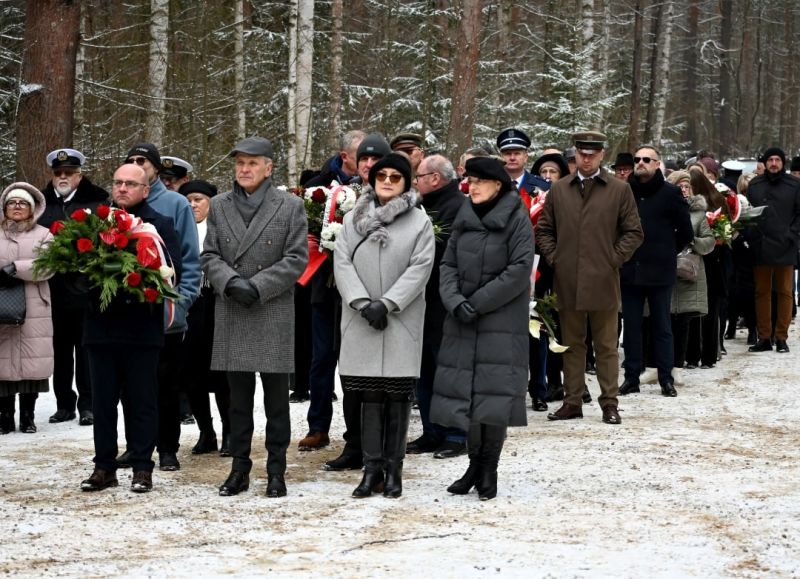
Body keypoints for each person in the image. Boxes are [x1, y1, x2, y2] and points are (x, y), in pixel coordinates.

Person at [202, 137, 307, 497]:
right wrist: (230, 282)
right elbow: (209, 255)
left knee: (277, 402)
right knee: (238, 401)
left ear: (268, 167)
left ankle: (276, 470)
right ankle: (239, 469)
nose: (244, 169)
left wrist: (258, 286)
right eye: (239, 163)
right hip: (233, 307)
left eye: (252, 163)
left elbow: (296, 259)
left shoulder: (290, 206)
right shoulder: (218, 205)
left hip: (272, 308)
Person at [431, 157, 534, 501]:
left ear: (498, 184)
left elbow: (519, 271)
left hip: (499, 323)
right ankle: (473, 467)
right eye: (468, 180)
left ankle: (489, 469)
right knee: (470, 396)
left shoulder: (517, 219)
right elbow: (447, 264)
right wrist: (455, 300)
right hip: (463, 319)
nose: (470, 187)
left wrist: (477, 302)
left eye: (478, 181)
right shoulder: (465, 218)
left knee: (494, 397)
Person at [334, 152, 434, 498]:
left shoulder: (419, 221)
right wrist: (363, 303)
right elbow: (342, 261)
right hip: (361, 318)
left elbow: (420, 268)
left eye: (396, 176)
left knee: (397, 396)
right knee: (368, 395)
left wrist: (388, 303)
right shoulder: (352, 220)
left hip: (399, 319)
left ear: (406, 182)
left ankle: (394, 470)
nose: (388, 180)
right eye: (382, 175)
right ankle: (371, 468)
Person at [80, 163, 182, 493]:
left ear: (145, 190)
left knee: (142, 402)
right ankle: (104, 467)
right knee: (103, 403)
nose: (122, 188)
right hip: (100, 326)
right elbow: (74, 270)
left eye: (130, 184)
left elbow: (171, 271)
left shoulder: (158, 224)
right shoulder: (94, 223)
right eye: (118, 182)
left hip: (142, 328)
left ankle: (142, 467)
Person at [538, 131, 643, 425]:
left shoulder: (618, 190)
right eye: (581, 153)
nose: (586, 158)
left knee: (606, 346)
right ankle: (572, 401)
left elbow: (634, 232)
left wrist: (613, 258)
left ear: (602, 155)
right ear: (575, 154)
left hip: (604, 280)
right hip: (567, 280)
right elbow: (544, 230)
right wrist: (555, 257)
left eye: (592, 153)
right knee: (571, 345)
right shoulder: (559, 190)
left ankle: (609, 402)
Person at [119, 143, 200, 472]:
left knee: (165, 383)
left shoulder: (174, 203)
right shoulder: (119, 204)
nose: (137, 165)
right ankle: (137, 444)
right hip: (126, 312)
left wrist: (181, 305)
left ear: (154, 170)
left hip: (164, 310)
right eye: (131, 161)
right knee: (130, 385)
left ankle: (167, 447)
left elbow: (190, 258)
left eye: (143, 161)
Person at [323, 132, 392, 472]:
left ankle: (380, 448)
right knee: (350, 376)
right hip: (350, 300)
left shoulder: (399, 198)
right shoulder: (342, 196)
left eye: (375, 159)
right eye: (364, 159)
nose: (368, 164)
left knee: (382, 380)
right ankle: (353, 442)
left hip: (387, 302)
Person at [297, 130, 366, 451]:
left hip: (362, 288)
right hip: (324, 285)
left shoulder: (378, 184)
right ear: (344, 156)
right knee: (322, 357)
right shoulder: (317, 187)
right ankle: (318, 425)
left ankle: (359, 429)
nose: (368, 162)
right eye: (361, 156)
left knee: (357, 361)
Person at [36, 148, 108, 426]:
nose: (63, 177)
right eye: (58, 173)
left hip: (86, 288)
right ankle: (64, 403)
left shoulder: (97, 200)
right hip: (52, 289)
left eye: (69, 173)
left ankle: (88, 404)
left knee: (86, 349)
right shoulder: (41, 204)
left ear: (80, 175)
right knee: (61, 350)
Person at [405, 154, 467, 458]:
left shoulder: (458, 208)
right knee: (426, 369)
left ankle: (456, 434)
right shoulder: (420, 207)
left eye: (419, 176)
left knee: (448, 370)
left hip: (446, 302)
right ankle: (432, 430)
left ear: (435, 179)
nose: (415, 181)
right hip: (422, 301)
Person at [618, 147, 693, 398]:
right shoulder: (624, 191)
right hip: (629, 268)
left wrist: (667, 251)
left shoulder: (671, 194)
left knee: (662, 326)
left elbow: (685, 232)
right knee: (631, 327)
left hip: (660, 270)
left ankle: (665, 378)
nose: (640, 163)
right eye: (637, 159)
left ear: (657, 164)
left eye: (646, 160)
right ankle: (631, 377)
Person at [178, 180, 231, 456]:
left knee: (222, 373)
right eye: (188, 199)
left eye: (199, 199)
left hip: (218, 303)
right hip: (190, 306)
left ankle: (229, 432)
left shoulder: (222, 228)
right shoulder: (178, 229)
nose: (193, 204)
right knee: (191, 374)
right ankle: (206, 432)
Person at [0, 184, 54, 435]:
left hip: (35, 305)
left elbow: (48, 264)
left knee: (32, 363)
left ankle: (28, 416)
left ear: (32, 209)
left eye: (23, 203)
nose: (17, 206)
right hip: (3, 304)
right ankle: (5, 416)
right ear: (4, 208)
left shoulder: (44, 234)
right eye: (12, 203)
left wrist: (16, 268)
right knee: (3, 363)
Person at [745, 147, 800, 353]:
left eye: (777, 159)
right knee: (762, 292)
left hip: (785, 245)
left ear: (782, 162)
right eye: (770, 160)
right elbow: (748, 212)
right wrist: (751, 236)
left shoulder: (794, 185)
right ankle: (765, 337)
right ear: (765, 162)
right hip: (761, 245)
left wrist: (791, 235)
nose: (774, 163)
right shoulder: (755, 185)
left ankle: (782, 337)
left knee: (785, 292)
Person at [527, 152, 571, 409]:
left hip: (559, 267)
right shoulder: (528, 195)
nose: (547, 176)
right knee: (537, 326)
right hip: (534, 268)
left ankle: (557, 380)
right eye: (543, 171)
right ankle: (539, 385)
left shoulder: (569, 197)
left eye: (553, 172)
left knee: (558, 325)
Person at [664, 170, 715, 386]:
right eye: (680, 186)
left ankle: (677, 366)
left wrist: (692, 240)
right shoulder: (664, 209)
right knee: (662, 321)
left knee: (683, 322)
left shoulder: (698, 213)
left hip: (688, 272)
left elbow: (709, 242)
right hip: (665, 270)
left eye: (687, 186)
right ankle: (659, 364)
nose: (684, 190)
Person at [496, 128, 543, 196]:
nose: (512, 158)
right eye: (508, 154)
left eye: (517, 153)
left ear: (526, 157)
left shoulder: (542, 185)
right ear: (501, 157)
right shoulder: (491, 184)